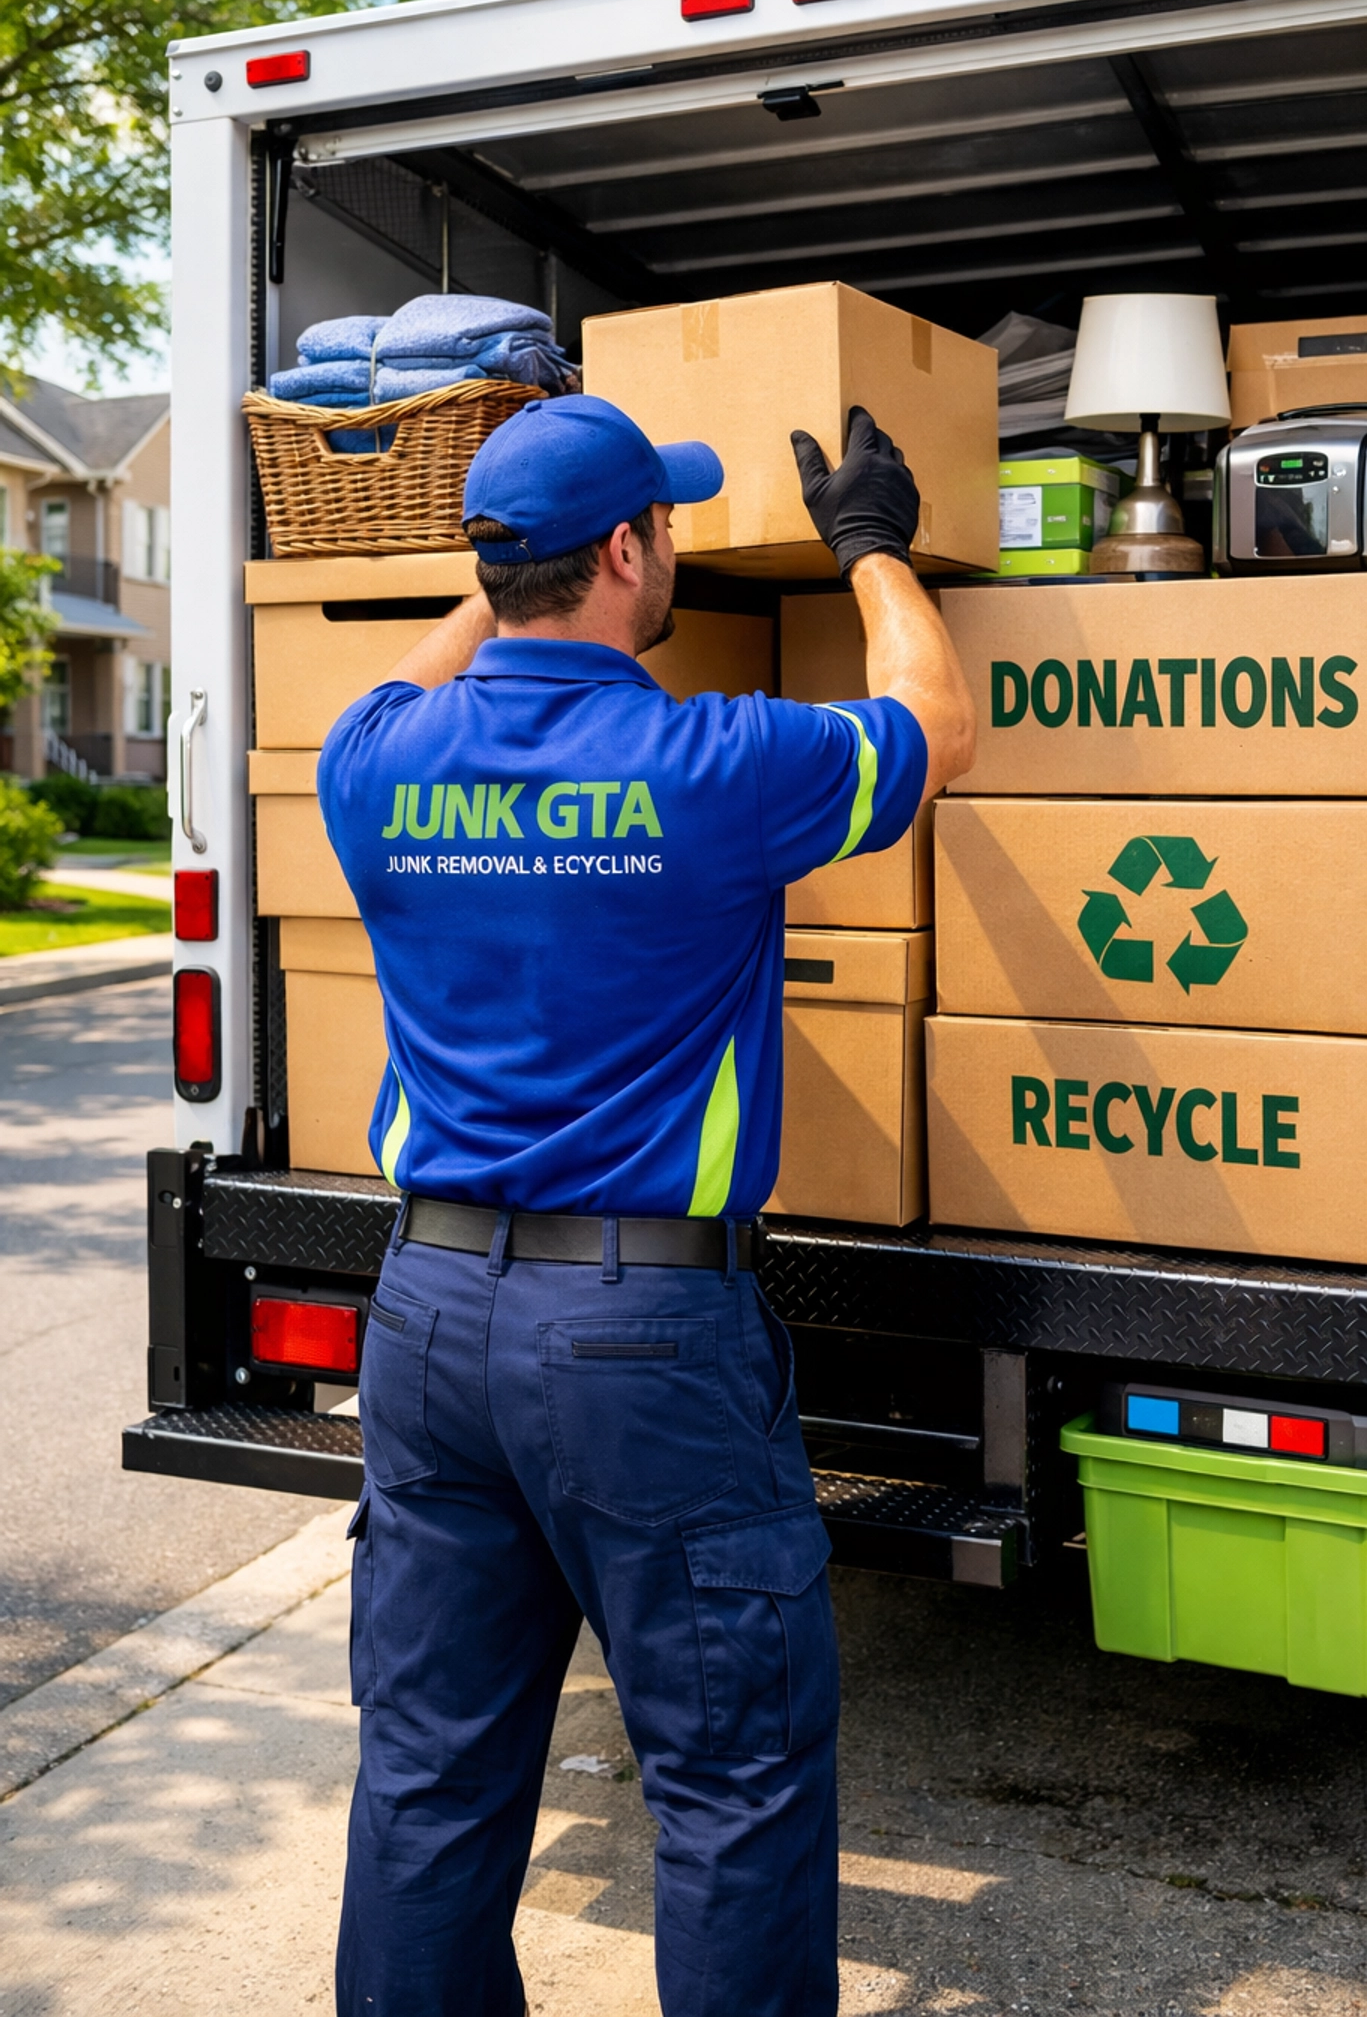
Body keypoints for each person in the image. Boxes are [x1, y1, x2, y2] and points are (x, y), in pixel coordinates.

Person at [320, 392, 977, 2017]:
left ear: (502, 564)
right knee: (730, 1780)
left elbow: (418, 671)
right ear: (625, 552)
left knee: (427, 1775)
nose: (677, 546)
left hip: (425, 1319)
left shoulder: (374, 763)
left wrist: (508, 570)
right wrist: (877, 546)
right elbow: (931, 726)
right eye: (663, 527)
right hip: (639, 1343)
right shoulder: (721, 758)